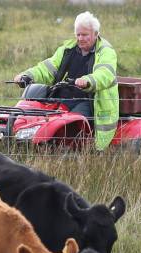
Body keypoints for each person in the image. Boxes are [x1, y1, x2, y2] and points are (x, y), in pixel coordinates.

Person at [14, 11, 119, 151]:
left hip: (90, 99)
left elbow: (105, 74)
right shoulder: (67, 49)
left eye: (85, 35)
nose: (80, 38)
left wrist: (88, 80)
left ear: (95, 34)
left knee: (73, 122)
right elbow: (48, 67)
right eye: (78, 34)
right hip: (65, 95)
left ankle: (75, 152)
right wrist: (28, 75)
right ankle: (24, 142)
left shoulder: (106, 52)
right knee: (35, 110)